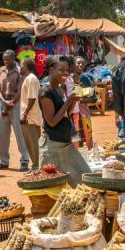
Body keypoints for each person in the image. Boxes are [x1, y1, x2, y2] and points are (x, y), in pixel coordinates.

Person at [38, 56, 91, 187]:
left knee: (85, 178)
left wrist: (75, 92)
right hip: (53, 146)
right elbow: (52, 122)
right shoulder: (45, 92)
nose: (65, 73)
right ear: (51, 70)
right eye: (61, 69)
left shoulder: (60, 89)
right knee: (55, 189)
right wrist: (68, 101)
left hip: (65, 142)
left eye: (67, 70)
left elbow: (68, 113)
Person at [0, 50, 30, 172]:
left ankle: (24, 160)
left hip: (16, 103)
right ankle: (3, 161)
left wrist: (11, 103)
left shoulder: (20, 71)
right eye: (4, 59)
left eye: (8, 59)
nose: (5, 61)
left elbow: (20, 90)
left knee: (19, 132)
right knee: (2, 133)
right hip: (3, 102)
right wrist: (3, 102)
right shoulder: (1, 70)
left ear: (14, 59)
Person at [19, 58, 42, 173]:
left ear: (26, 67)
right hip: (30, 116)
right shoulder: (28, 79)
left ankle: (36, 167)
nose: (20, 67)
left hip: (30, 117)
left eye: (22, 65)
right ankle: (35, 166)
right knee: (30, 143)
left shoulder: (31, 79)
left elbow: (32, 98)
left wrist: (24, 114)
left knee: (33, 144)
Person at [70, 56, 97, 148]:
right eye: (78, 63)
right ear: (73, 64)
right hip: (70, 112)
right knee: (73, 134)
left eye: (82, 63)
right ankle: (75, 153)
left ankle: (87, 153)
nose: (80, 65)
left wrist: (78, 101)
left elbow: (93, 98)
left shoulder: (85, 78)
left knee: (85, 134)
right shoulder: (68, 78)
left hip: (82, 111)